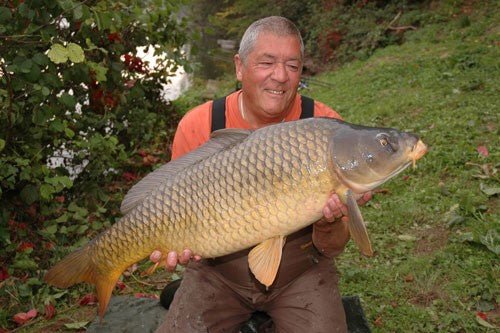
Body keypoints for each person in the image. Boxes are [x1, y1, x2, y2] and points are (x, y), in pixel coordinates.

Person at [153, 16, 371, 333]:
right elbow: (174, 216)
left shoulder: (326, 128)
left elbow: (333, 248)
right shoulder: (199, 124)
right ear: (240, 67)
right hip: (217, 273)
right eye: (266, 62)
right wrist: (176, 247)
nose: (280, 76)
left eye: (293, 66)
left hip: (302, 273)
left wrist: (327, 221)